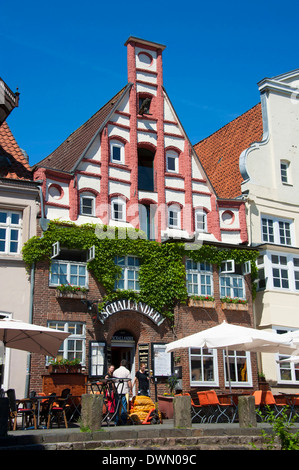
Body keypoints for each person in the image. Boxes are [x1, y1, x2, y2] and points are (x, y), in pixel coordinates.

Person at [113, 359, 132, 425]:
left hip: (117, 390)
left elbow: (113, 381)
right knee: (124, 405)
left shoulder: (115, 371)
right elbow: (129, 382)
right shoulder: (127, 371)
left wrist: (114, 389)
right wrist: (130, 389)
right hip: (124, 390)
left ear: (120, 364)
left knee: (117, 406)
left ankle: (116, 421)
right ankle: (124, 421)